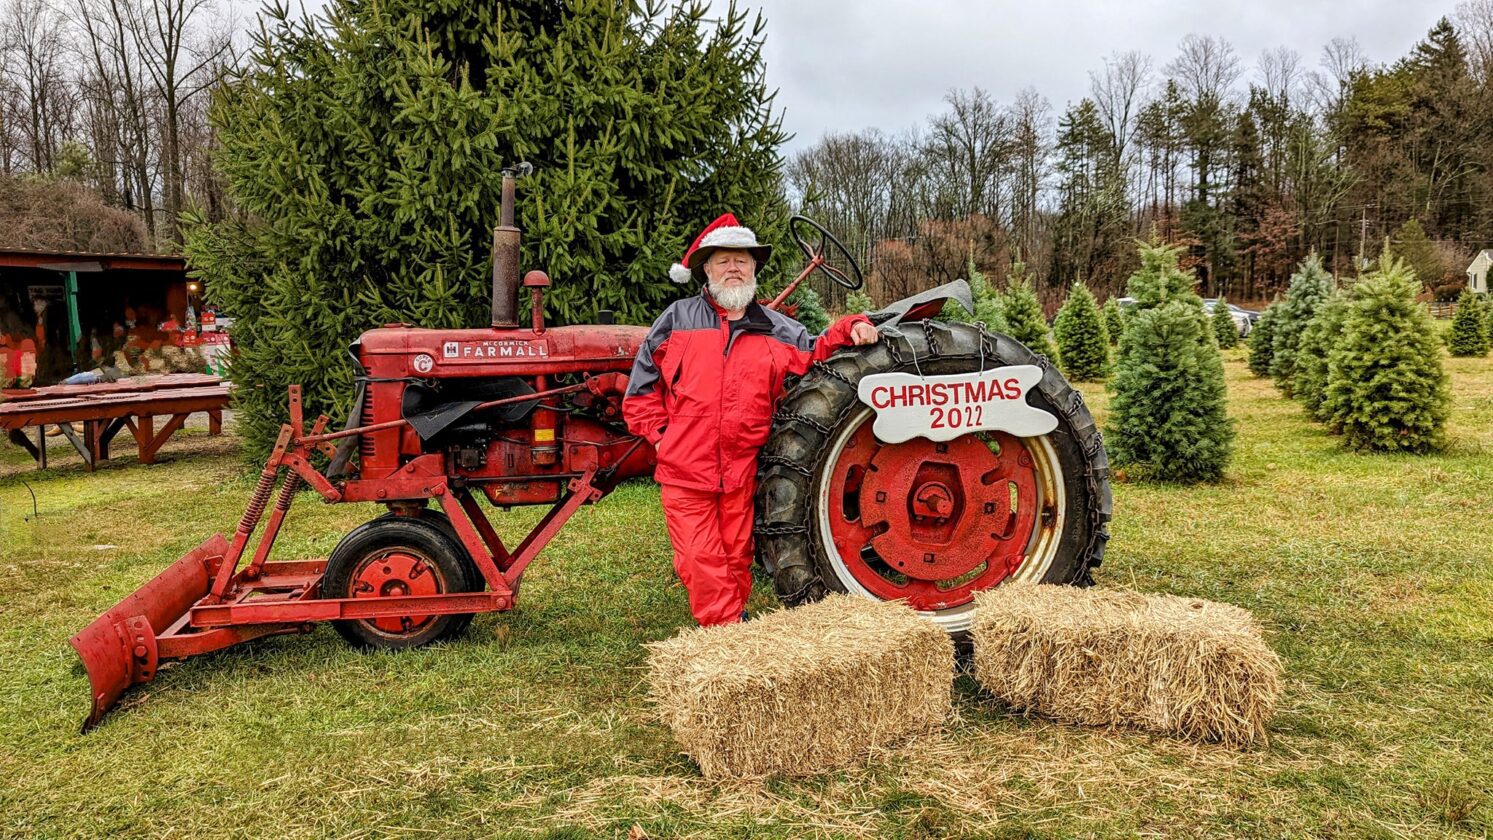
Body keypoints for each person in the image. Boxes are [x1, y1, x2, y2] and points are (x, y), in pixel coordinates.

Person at [623, 213, 879, 626]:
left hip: (743, 471)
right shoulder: (677, 319)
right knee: (697, 556)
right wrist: (661, 438)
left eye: (742, 260)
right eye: (723, 261)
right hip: (685, 469)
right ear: (706, 269)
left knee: (736, 554)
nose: (733, 269)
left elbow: (817, 354)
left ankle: (732, 620)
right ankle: (727, 631)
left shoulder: (779, 330)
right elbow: (640, 391)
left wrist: (852, 324)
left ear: (754, 268)